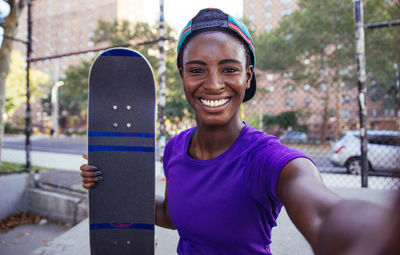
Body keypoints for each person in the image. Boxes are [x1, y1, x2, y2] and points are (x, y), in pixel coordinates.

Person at [80, 8, 400, 255]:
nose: (214, 83)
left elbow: (323, 212)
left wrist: (379, 234)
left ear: (247, 78)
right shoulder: (175, 148)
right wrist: (113, 190)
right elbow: (175, 216)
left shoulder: (265, 158)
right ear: (182, 76)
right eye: (197, 70)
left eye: (229, 69)